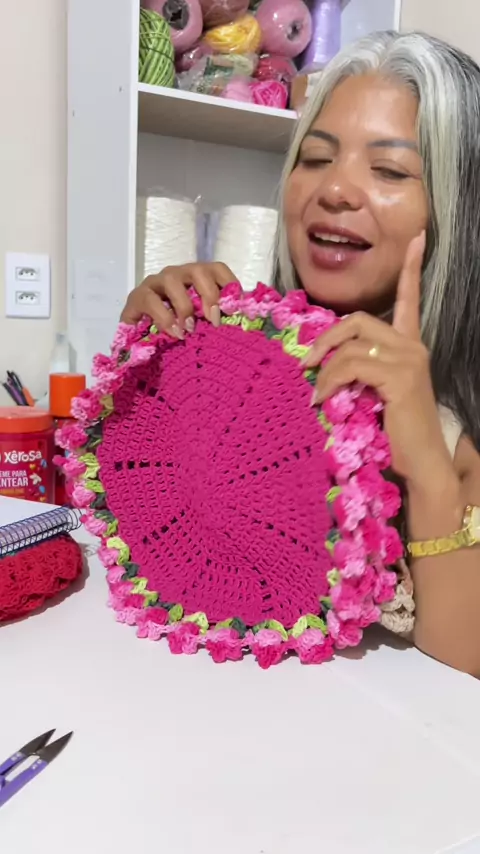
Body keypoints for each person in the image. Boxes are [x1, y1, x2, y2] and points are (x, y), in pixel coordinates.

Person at [121, 30, 480, 677]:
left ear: (461, 212)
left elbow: (462, 680)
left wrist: (428, 465)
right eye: (315, 158)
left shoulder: (463, 440)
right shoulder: (244, 374)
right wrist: (149, 372)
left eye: (389, 170)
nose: (334, 190)